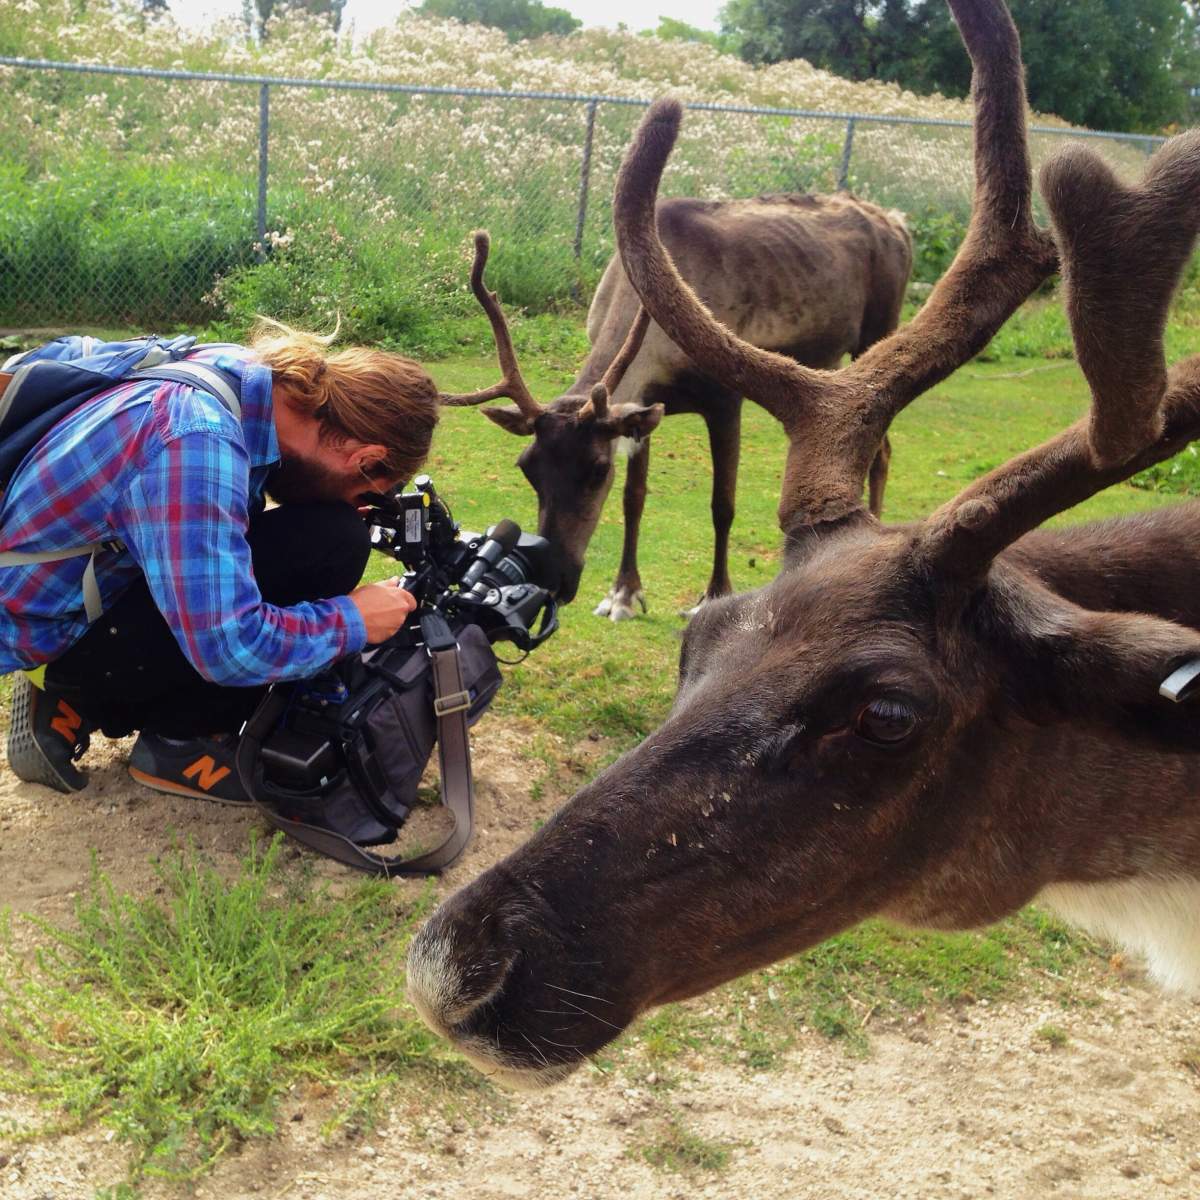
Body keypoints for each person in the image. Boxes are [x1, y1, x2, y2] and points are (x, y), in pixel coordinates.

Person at [0, 321, 439, 802]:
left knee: (322, 533)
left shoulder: (241, 374)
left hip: (69, 588)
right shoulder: (198, 440)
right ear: (365, 456)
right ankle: (177, 741)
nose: (357, 500)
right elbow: (230, 648)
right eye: (365, 488)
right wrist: (353, 620)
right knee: (334, 541)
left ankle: (62, 694)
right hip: (56, 635)